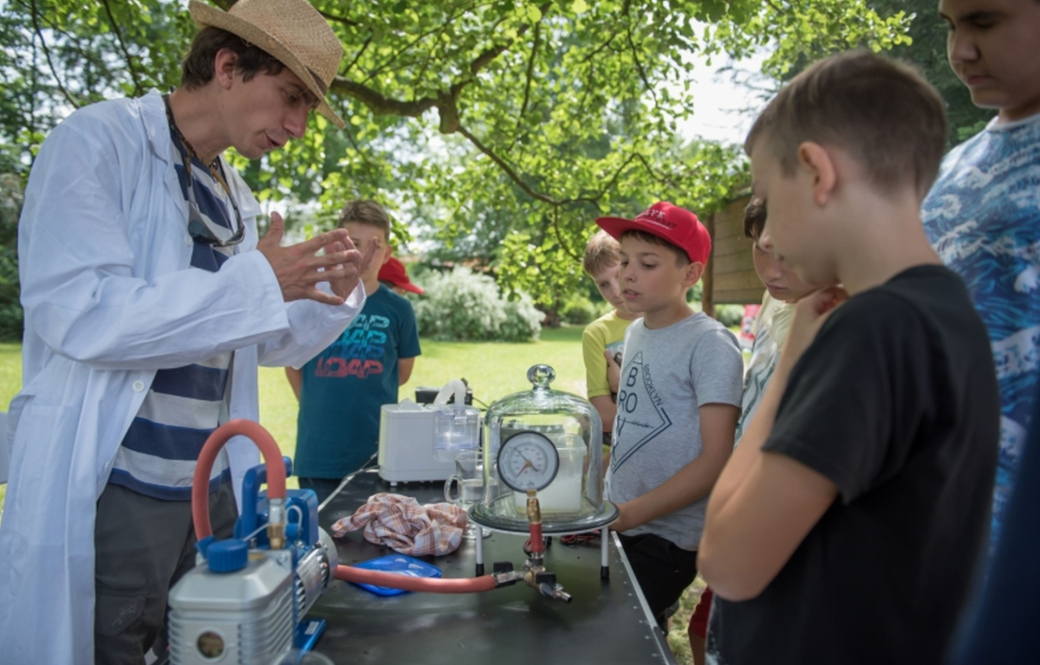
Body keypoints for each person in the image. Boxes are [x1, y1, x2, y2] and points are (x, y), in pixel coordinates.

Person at [0, 1, 375, 663]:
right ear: (228, 66)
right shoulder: (98, 142)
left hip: (208, 490)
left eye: (308, 111)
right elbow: (86, 312)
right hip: (122, 483)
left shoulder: (234, 194)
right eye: (290, 98)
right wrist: (261, 281)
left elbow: (246, 339)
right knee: (114, 643)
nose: (295, 127)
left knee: (210, 644)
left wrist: (326, 297)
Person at [699, 51, 1001, 665]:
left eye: (768, 194)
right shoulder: (952, 314)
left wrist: (788, 368)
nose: (771, 235)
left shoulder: (874, 329)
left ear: (816, 172)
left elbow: (727, 563)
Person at [921, 0, 1040, 553]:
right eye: (951, 25)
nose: (959, 50)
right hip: (940, 518)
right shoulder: (949, 168)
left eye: (984, 22)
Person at [596, 202, 743, 630]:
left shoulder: (711, 344)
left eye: (647, 263)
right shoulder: (635, 332)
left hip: (669, 537)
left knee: (621, 633)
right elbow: (632, 427)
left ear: (691, 274)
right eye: (624, 260)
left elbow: (716, 459)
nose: (627, 274)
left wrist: (630, 514)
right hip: (621, 518)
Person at [686, 196, 815, 665]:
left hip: (782, 512)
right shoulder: (775, 298)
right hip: (742, 496)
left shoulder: (831, 315)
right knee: (705, 629)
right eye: (763, 249)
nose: (773, 269)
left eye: (788, 253)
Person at [287, 200, 421, 504]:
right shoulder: (314, 298)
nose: (365, 255)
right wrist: (317, 404)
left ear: (387, 254)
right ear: (339, 246)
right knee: (320, 541)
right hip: (318, 451)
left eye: (376, 246)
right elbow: (292, 364)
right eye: (357, 244)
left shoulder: (399, 309)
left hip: (377, 454)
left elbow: (400, 374)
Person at [581, 229, 637, 445]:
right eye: (603, 284)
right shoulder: (597, 333)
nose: (615, 291)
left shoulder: (665, 322)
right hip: (610, 450)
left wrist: (623, 384)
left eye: (618, 275)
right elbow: (603, 416)